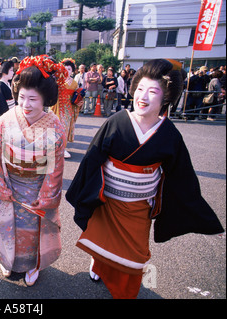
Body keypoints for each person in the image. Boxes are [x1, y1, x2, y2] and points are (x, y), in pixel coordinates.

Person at [65, 59, 224, 299]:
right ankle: (98, 265)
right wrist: (84, 194)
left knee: (135, 256)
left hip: (139, 207)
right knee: (102, 242)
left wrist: (202, 216)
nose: (143, 96)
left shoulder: (169, 134)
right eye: (140, 89)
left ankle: (124, 293)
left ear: (166, 97)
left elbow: (181, 176)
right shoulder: (116, 122)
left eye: (153, 92)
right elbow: (92, 160)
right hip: (108, 201)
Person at [0, 55, 66, 286]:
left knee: (32, 230)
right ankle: (7, 260)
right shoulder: (5, 120)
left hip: (37, 187)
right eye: (22, 97)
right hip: (10, 184)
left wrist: (46, 196)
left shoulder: (55, 126)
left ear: (45, 99)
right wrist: (1, 186)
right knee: (7, 225)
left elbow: (55, 167)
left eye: (33, 99)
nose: (26, 104)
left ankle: (33, 264)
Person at [51, 58, 82, 159]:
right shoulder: (57, 81)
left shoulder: (74, 84)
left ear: (72, 71)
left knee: (64, 128)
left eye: (69, 69)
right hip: (56, 106)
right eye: (64, 68)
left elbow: (78, 96)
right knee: (54, 127)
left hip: (68, 108)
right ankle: (53, 148)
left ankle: (62, 148)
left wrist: (79, 101)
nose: (66, 71)